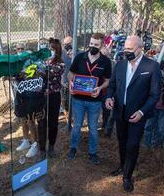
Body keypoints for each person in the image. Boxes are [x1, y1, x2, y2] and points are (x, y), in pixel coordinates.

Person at [105, 35, 162, 192]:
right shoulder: (120, 64)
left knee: (132, 144)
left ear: (140, 48)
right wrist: (109, 97)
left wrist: (142, 112)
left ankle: (127, 177)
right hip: (119, 112)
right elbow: (112, 85)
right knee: (122, 142)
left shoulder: (152, 67)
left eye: (130, 49)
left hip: (137, 114)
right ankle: (123, 166)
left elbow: (155, 95)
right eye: (125, 49)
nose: (126, 52)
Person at [68, 33, 112, 165]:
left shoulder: (106, 61)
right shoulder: (80, 57)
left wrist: (100, 88)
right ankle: (73, 148)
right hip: (78, 99)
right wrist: (71, 82)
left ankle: (93, 152)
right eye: (91, 44)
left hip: (95, 100)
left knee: (93, 128)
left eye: (96, 45)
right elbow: (71, 73)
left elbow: (108, 80)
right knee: (77, 125)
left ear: (102, 45)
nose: (93, 46)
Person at [37, 38, 64, 159]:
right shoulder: (40, 61)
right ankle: (42, 149)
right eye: (48, 48)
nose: (50, 51)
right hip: (41, 96)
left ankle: (51, 146)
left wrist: (38, 69)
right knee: (41, 122)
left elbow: (49, 74)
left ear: (57, 51)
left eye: (52, 49)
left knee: (53, 122)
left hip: (54, 96)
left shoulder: (60, 63)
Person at [61, 36, 73, 114]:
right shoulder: (61, 53)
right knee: (64, 100)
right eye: (64, 44)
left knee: (72, 100)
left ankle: (71, 115)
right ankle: (66, 113)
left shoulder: (78, 53)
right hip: (64, 81)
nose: (66, 45)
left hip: (74, 81)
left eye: (68, 43)